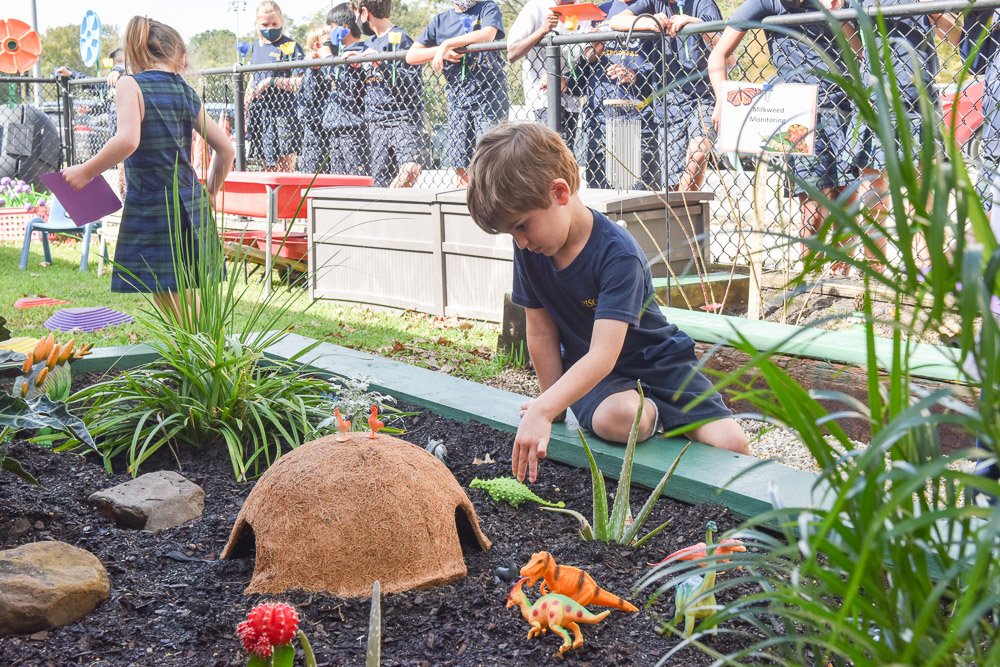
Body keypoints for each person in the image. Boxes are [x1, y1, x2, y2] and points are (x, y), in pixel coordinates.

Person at [466, 123, 750, 482]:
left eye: (522, 226)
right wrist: (549, 406)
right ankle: (655, 416)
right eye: (512, 233)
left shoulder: (618, 254)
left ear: (559, 192)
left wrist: (543, 407)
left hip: (659, 363)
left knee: (733, 446)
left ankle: (662, 413)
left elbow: (606, 353)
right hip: (595, 375)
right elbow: (539, 333)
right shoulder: (530, 250)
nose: (520, 241)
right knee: (621, 419)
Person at [62, 16, 235, 316]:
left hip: (154, 199)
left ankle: (195, 352)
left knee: (167, 291)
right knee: (182, 288)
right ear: (179, 58)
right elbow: (226, 150)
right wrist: (209, 192)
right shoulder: (184, 90)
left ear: (137, 54)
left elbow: (128, 140)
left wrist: (85, 171)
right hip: (190, 197)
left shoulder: (130, 84)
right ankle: (202, 349)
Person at [708, 0, 855, 263]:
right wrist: (722, 98)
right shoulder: (767, 3)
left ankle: (843, 277)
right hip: (799, 112)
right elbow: (718, 54)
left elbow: (860, 49)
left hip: (843, 105)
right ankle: (808, 275)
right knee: (814, 205)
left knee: (847, 200)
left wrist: (838, 14)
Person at [610, 0, 724, 191]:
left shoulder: (703, 4)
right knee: (671, 183)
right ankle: (682, 212)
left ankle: (685, 203)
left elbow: (727, 54)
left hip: (702, 97)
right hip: (668, 102)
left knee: (699, 151)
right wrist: (649, 22)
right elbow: (616, 21)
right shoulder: (654, 2)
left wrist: (697, 24)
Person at [406, 0, 509, 187]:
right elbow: (411, 56)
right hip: (457, 96)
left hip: (488, 94)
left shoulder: (487, 7)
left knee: (491, 157)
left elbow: (488, 33)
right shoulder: (440, 20)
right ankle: (464, 204)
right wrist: (440, 51)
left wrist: (448, 43)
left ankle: (493, 206)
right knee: (460, 160)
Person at [350, 0, 425, 187]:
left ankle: (392, 197)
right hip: (375, 121)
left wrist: (380, 64)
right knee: (380, 178)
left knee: (410, 169)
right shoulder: (367, 43)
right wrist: (352, 65)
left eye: (357, 14)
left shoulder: (400, 38)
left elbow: (413, 84)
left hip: (402, 117)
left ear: (365, 13)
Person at [507, 0, 590, 150]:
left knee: (566, 155)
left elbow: (586, 60)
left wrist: (594, 40)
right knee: (554, 154)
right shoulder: (536, 7)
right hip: (543, 98)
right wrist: (542, 30)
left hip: (573, 97)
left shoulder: (583, 10)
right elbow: (512, 52)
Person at [245, 0, 305, 172]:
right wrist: (246, 106)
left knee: (286, 164)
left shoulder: (291, 46)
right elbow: (252, 78)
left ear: (281, 22)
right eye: (264, 24)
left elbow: (299, 82)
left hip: (284, 112)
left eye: (274, 24)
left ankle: (288, 198)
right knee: (267, 163)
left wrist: (273, 82)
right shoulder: (255, 46)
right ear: (257, 24)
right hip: (261, 111)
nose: (270, 28)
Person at [320, 4, 371, 176]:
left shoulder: (359, 51)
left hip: (353, 126)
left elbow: (341, 80)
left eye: (333, 28)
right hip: (335, 126)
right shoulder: (340, 53)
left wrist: (327, 58)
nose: (330, 33)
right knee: (338, 177)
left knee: (356, 176)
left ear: (345, 28)